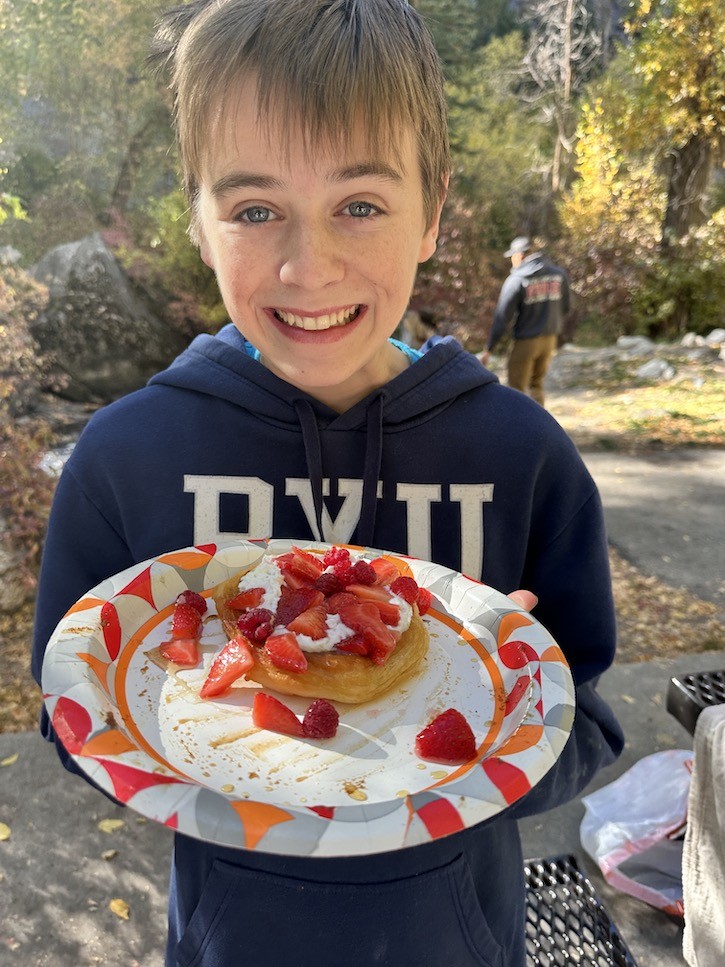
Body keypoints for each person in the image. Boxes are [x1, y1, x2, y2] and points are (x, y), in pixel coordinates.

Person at [31, 3, 623, 965]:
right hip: (230, 941)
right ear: (199, 219)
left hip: (458, 940)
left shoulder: (521, 455)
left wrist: (505, 722)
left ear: (432, 210)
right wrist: (174, 717)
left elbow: (588, 719)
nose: (309, 268)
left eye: (359, 203)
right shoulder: (126, 457)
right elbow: (74, 712)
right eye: (256, 209)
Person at [480, 236, 571, 407]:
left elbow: (502, 318)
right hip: (550, 340)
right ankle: (540, 430)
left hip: (526, 341)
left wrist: (489, 349)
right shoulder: (558, 274)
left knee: (516, 389)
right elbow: (566, 307)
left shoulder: (517, 279)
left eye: (512, 257)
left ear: (519, 256)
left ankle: (518, 431)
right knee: (537, 385)